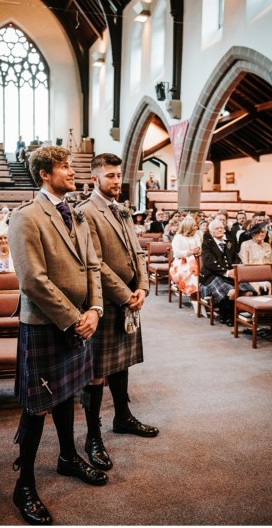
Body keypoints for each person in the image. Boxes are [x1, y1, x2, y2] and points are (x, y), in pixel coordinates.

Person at [8, 145, 106, 526]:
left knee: (68, 395)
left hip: (82, 319)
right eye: (64, 166)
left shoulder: (78, 215)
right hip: (46, 324)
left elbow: (93, 267)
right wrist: (73, 317)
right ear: (45, 174)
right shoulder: (26, 217)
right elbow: (32, 279)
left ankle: (67, 458)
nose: (71, 171)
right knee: (38, 406)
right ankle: (25, 485)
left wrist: (95, 310)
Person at [78, 152, 159, 476]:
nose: (116, 181)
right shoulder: (86, 211)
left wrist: (143, 286)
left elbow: (137, 251)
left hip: (129, 299)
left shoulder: (123, 209)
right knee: (97, 371)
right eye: (110, 175)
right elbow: (95, 263)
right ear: (95, 178)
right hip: (106, 302)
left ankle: (122, 417)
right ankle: (93, 435)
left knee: (122, 362)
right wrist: (126, 296)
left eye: (118, 175)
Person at [199, 218, 254, 327]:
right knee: (232, 292)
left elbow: (235, 257)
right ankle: (228, 316)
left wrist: (237, 268)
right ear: (211, 232)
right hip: (212, 275)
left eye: (221, 228)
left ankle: (240, 315)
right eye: (217, 228)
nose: (220, 230)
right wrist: (226, 272)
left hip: (231, 272)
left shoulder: (229, 241)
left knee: (248, 292)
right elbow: (209, 262)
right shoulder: (207, 244)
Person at [238, 219, 272, 294]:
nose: (261, 234)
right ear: (252, 234)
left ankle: (271, 304)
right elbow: (244, 264)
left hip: (267, 275)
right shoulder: (246, 244)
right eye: (258, 232)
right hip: (251, 275)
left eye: (263, 232)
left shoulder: (268, 245)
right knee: (256, 288)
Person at [170, 214, 202, 297]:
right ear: (189, 227)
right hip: (181, 261)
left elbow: (199, 247)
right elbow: (177, 253)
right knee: (193, 271)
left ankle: (202, 294)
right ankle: (193, 294)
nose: (196, 227)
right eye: (194, 225)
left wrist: (198, 250)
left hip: (196, 259)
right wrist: (189, 253)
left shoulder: (196, 235)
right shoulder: (178, 237)